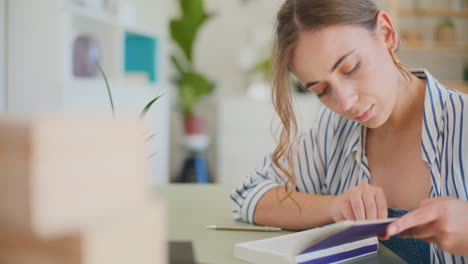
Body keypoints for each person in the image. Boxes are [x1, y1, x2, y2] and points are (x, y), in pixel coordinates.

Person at [229, 0, 468, 263]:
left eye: (351, 67)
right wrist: (335, 206)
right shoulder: (335, 130)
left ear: (386, 34)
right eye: (322, 90)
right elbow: (250, 195)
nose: (345, 102)